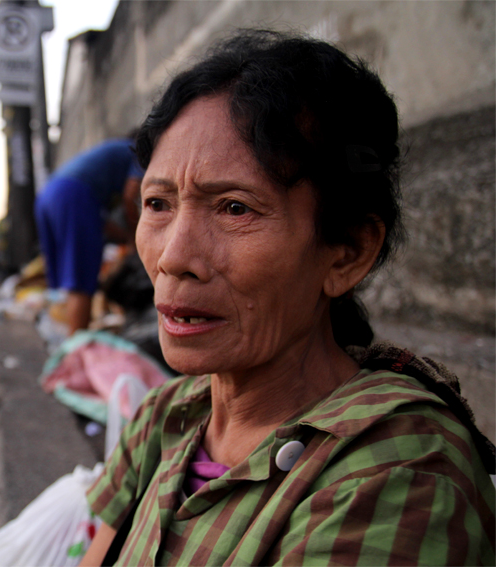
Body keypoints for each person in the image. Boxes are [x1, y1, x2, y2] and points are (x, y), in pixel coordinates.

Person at [81, 29, 495, 566]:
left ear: (346, 252)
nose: (173, 256)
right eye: (158, 203)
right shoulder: (166, 417)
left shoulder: (398, 474)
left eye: (234, 208)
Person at [35, 137, 144, 335]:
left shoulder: (108, 158)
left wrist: (125, 238)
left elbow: (99, 223)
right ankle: (76, 350)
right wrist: (137, 235)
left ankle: (68, 341)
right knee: (80, 280)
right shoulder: (139, 153)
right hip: (73, 196)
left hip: (48, 196)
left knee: (67, 279)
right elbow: (130, 196)